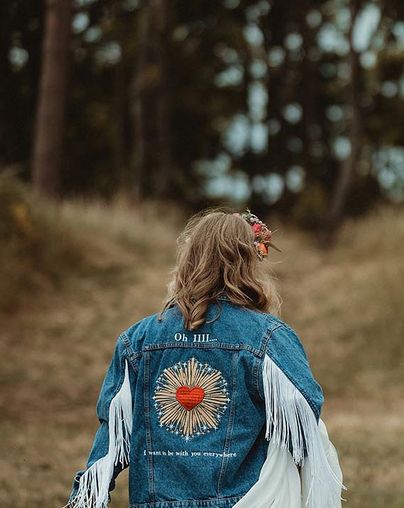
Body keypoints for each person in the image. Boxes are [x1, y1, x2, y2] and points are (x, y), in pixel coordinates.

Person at [67, 209, 342, 508]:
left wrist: (84, 499)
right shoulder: (269, 338)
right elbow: (306, 418)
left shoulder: (138, 340)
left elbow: (112, 440)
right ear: (248, 264)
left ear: (189, 259)